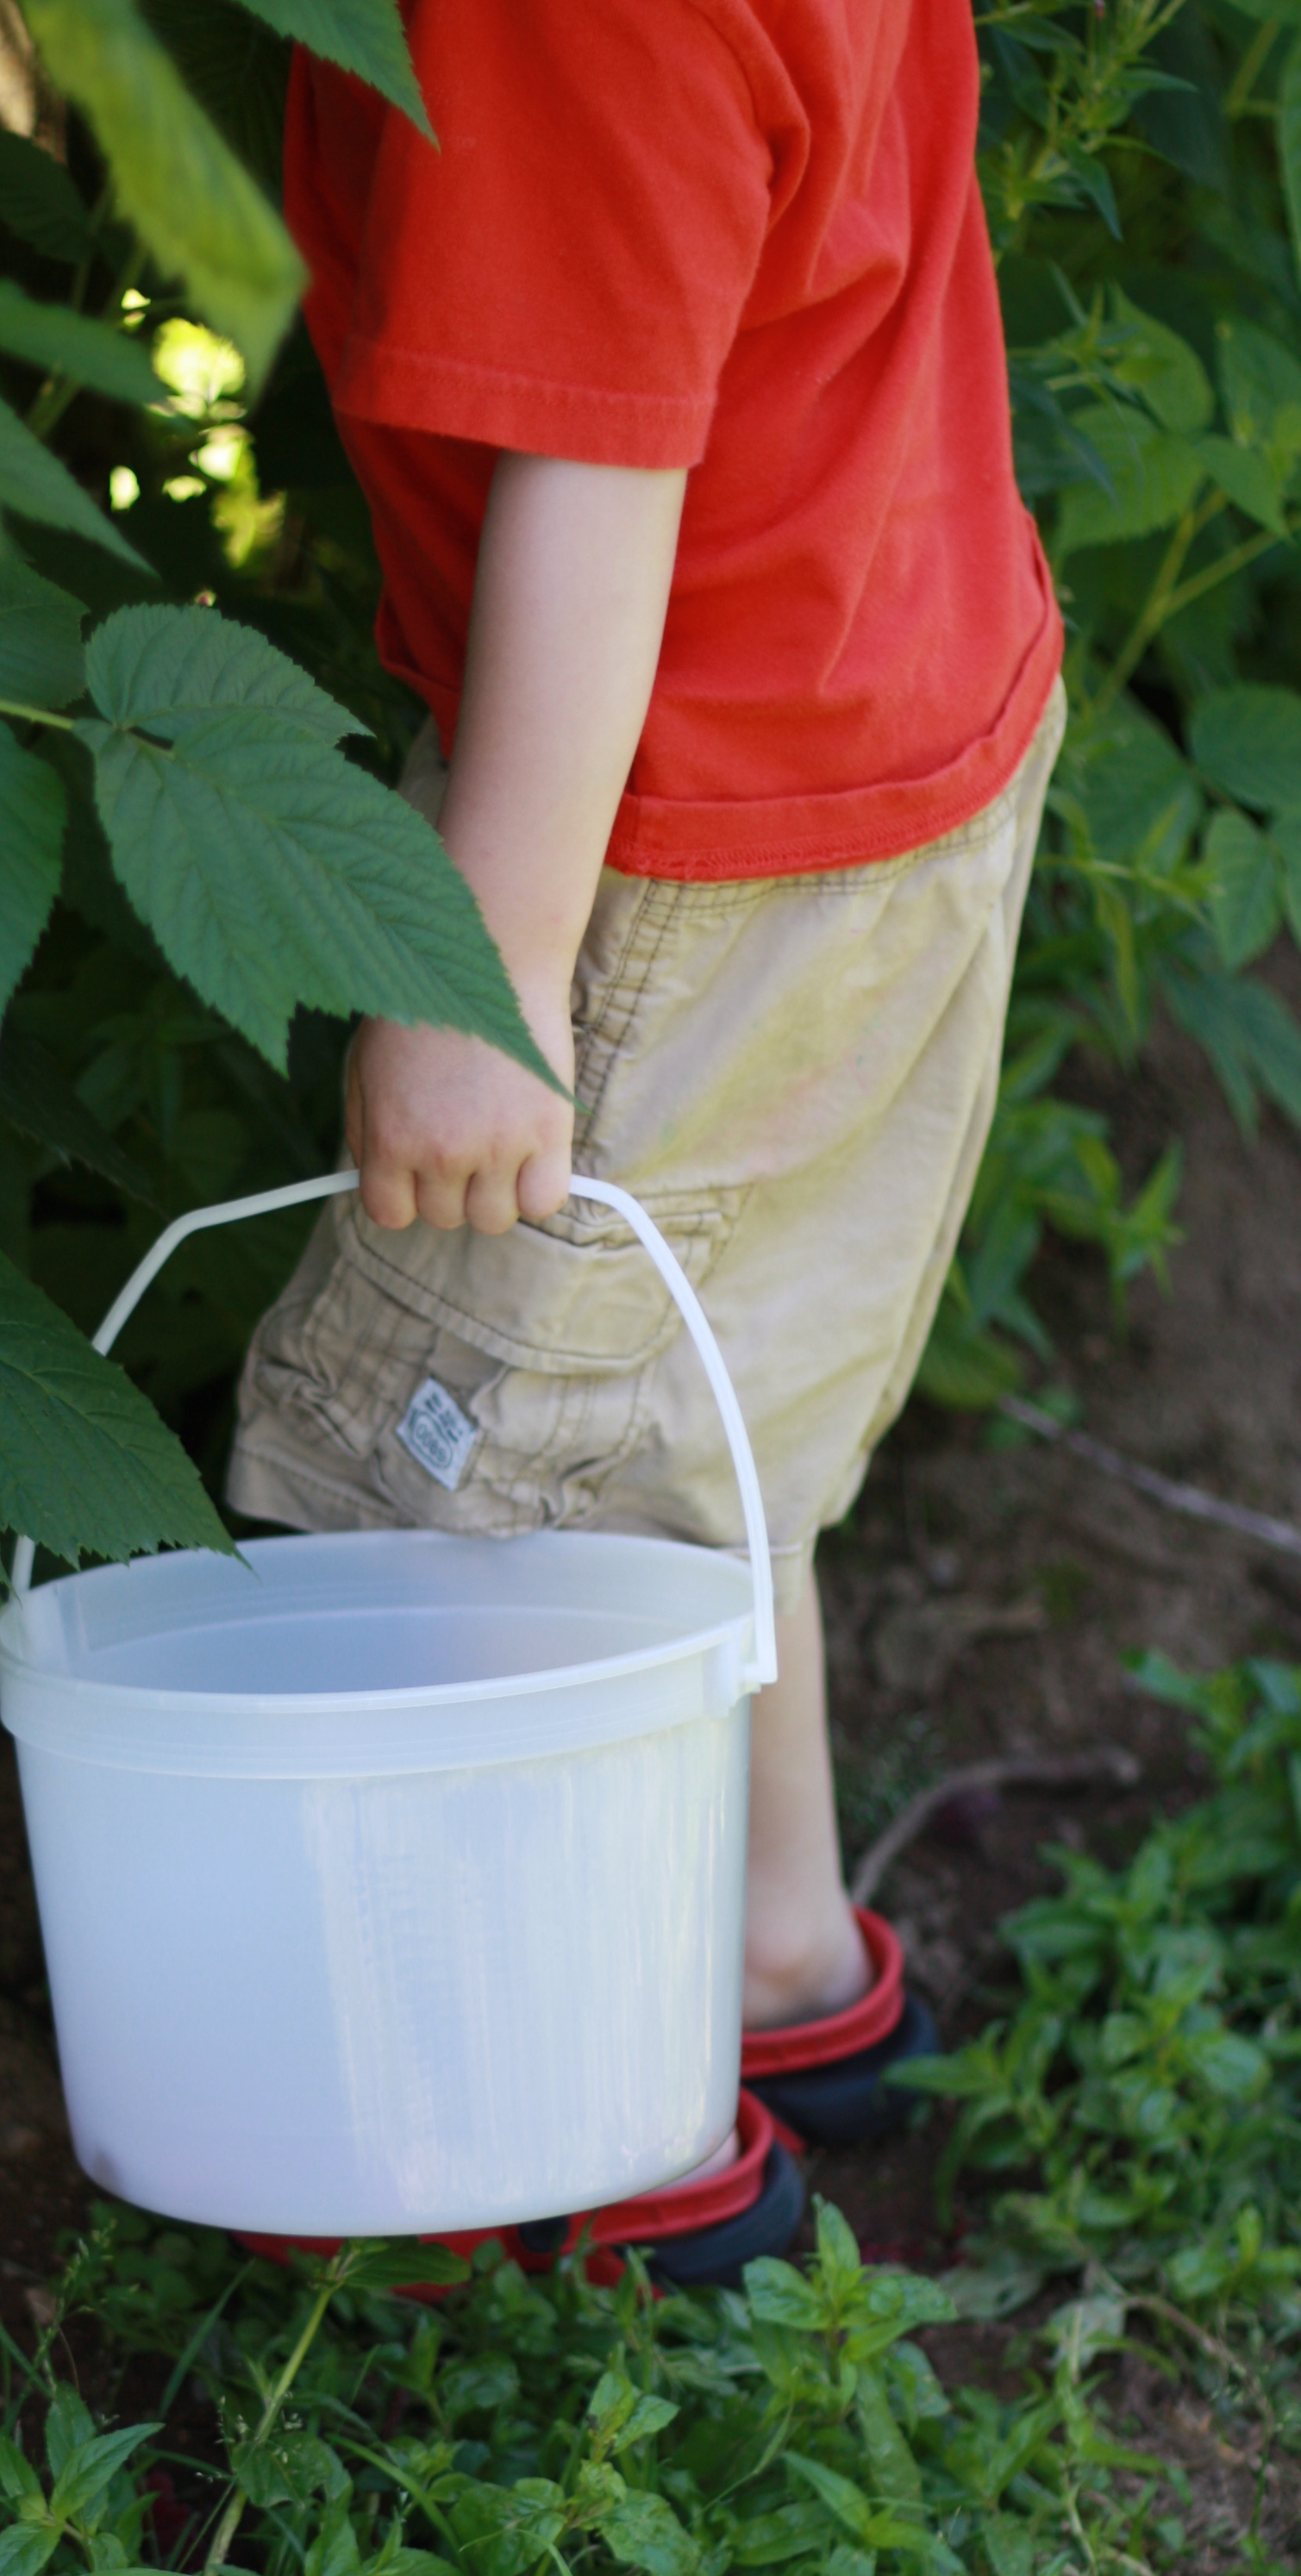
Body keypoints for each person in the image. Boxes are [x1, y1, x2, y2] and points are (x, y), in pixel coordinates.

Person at [227, 0, 1066, 2286]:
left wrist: (478, 970)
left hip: (652, 842)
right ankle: (779, 1953)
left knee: (500, 1483)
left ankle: (590, 2111)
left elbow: (601, 471)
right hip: (893, 726)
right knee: (701, 1393)